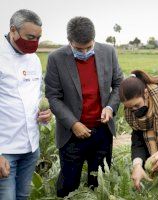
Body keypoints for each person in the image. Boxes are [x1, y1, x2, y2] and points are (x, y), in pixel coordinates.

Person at [45, 16, 123, 197]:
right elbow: (53, 96)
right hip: (71, 135)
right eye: (79, 49)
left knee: (99, 185)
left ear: (94, 39)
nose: (86, 51)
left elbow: (119, 83)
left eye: (89, 47)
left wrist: (110, 108)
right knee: (68, 186)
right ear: (69, 42)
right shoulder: (56, 58)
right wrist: (73, 124)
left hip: (102, 131)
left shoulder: (108, 52)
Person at [0, 9, 52, 200]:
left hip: (30, 148)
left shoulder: (34, 60)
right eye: (30, 37)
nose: (34, 43)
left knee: (23, 196)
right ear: (13, 30)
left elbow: (37, 96)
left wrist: (46, 115)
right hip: (5, 151)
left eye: (38, 38)